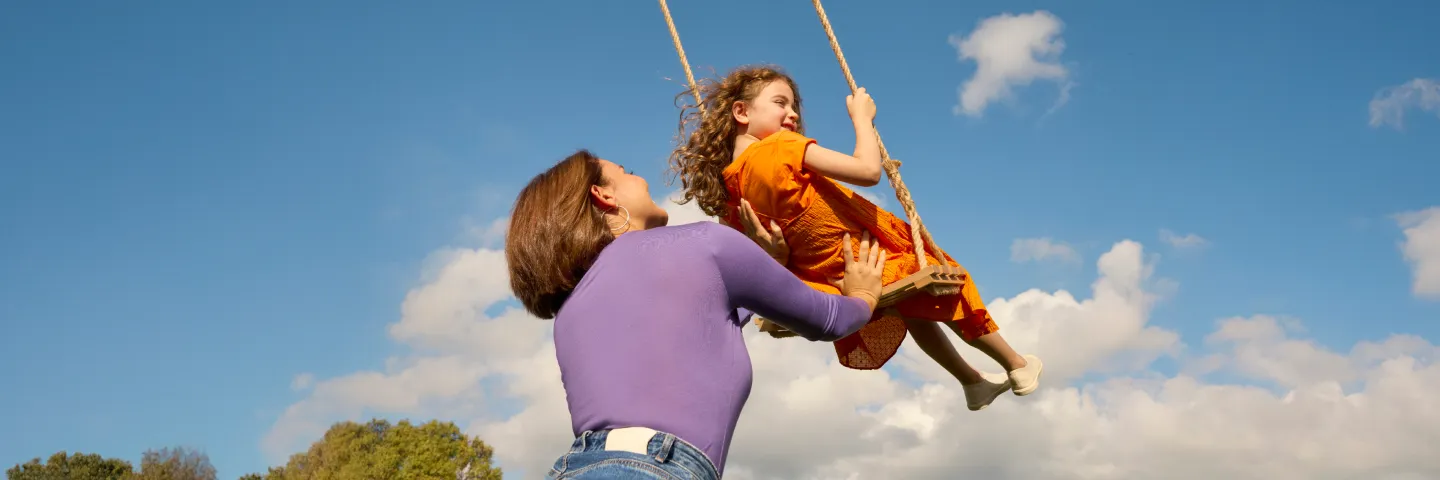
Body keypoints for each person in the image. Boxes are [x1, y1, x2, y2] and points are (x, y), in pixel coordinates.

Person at [666, 64, 1044, 412]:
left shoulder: (729, 195)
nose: (793, 113)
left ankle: (971, 381)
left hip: (830, 284)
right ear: (742, 112)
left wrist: (778, 257)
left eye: (794, 106)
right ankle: (1015, 363)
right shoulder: (781, 147)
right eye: (780, 103)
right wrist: (862, 119)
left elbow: (757, 264)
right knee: (947, 284)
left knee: (913, 306)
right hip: (860, 263)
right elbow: (867, 171)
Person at [505, 149, 889, 479]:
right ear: (603, 195)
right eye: (627, 172)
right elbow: (829, 319)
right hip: (654, 467)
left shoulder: (570, 312)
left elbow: (704, 319)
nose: (641, 178)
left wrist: (770, 260)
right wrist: (862, 296)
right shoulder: (704, 243)